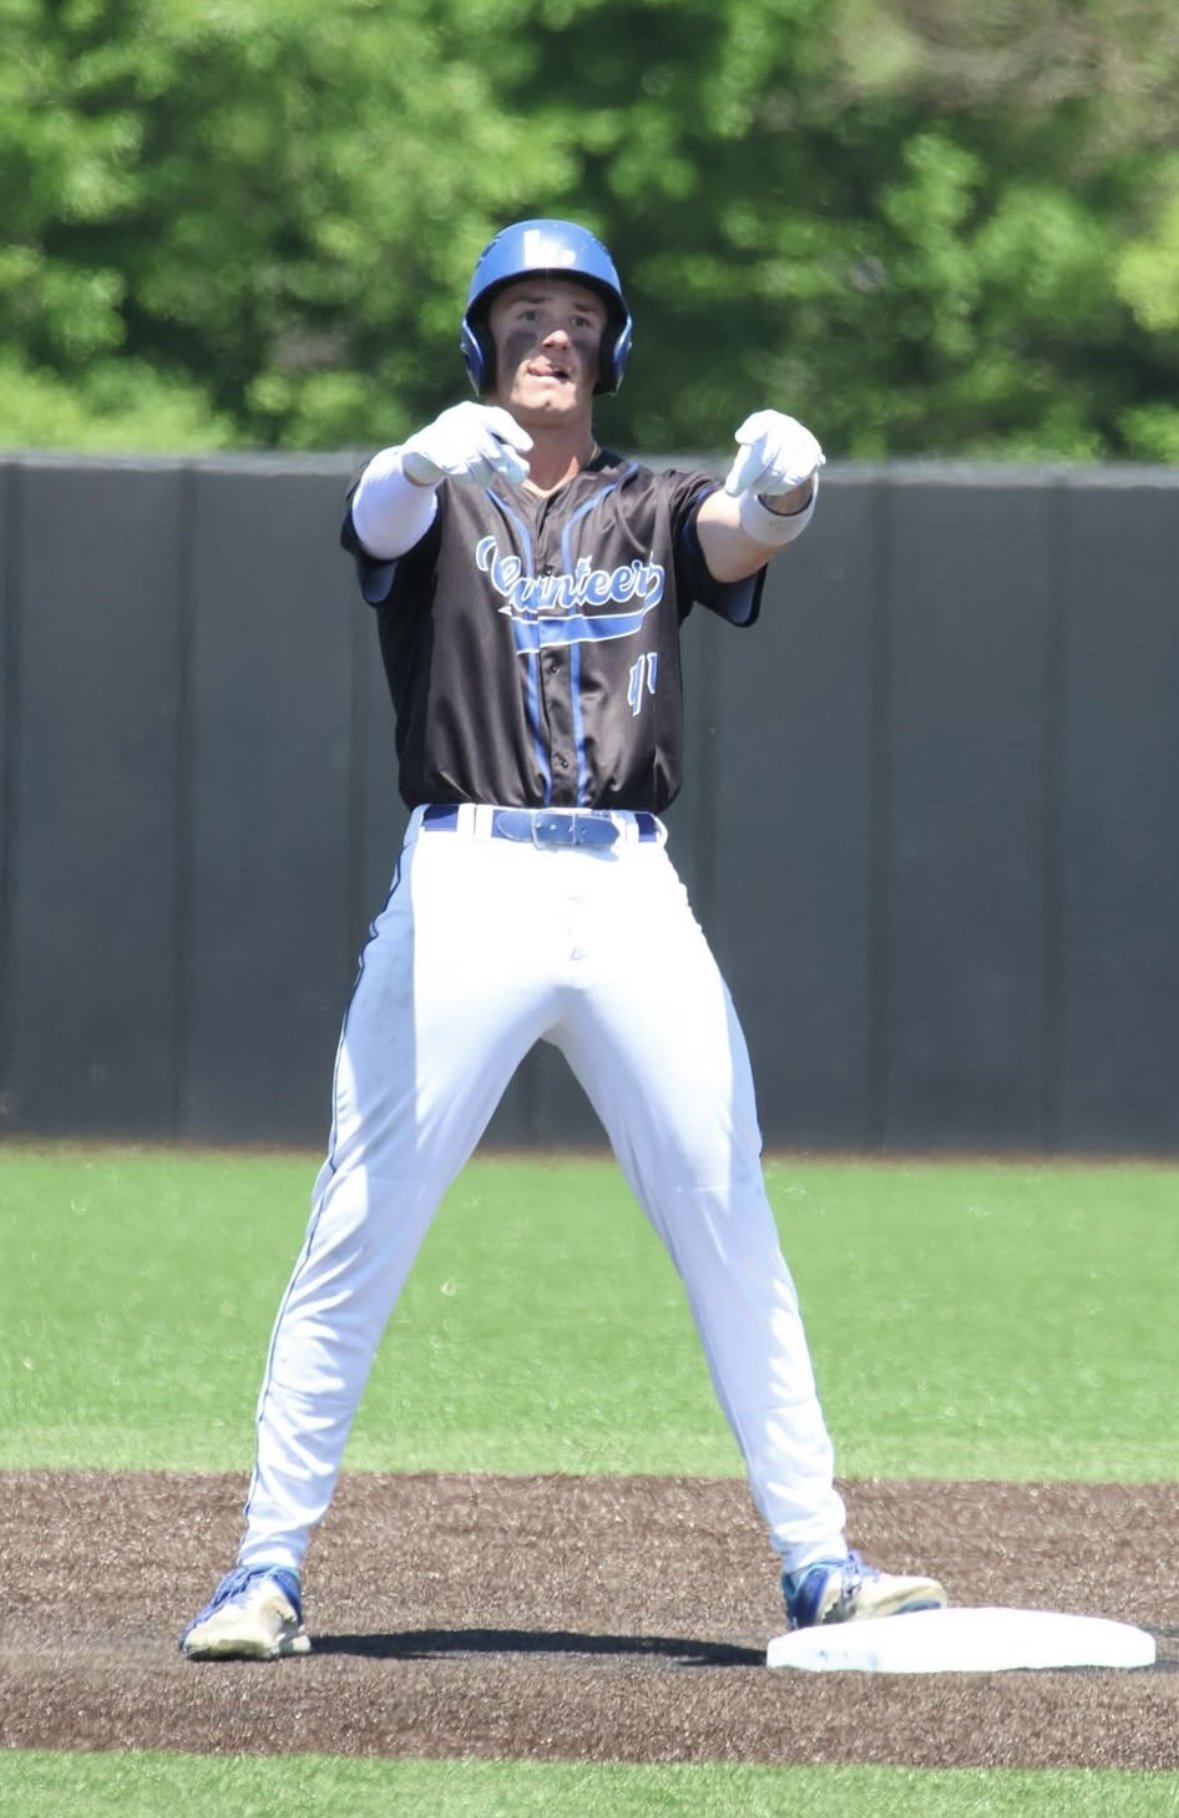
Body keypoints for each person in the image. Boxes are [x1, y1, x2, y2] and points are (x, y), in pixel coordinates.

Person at [181, 218, 946, 1661]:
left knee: (730, 1202)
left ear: (611, 344)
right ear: (479, 338)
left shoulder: (648, 501)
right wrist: (415, 457)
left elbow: (738, 532)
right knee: (363, 1219)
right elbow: (377, 519)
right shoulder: (440, 486)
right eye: (524, 311)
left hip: (628, 882)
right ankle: (265, 1566)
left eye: (577, 315)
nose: (552, 334)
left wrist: (784, 489)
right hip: (469, 878)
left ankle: (819, 1558)